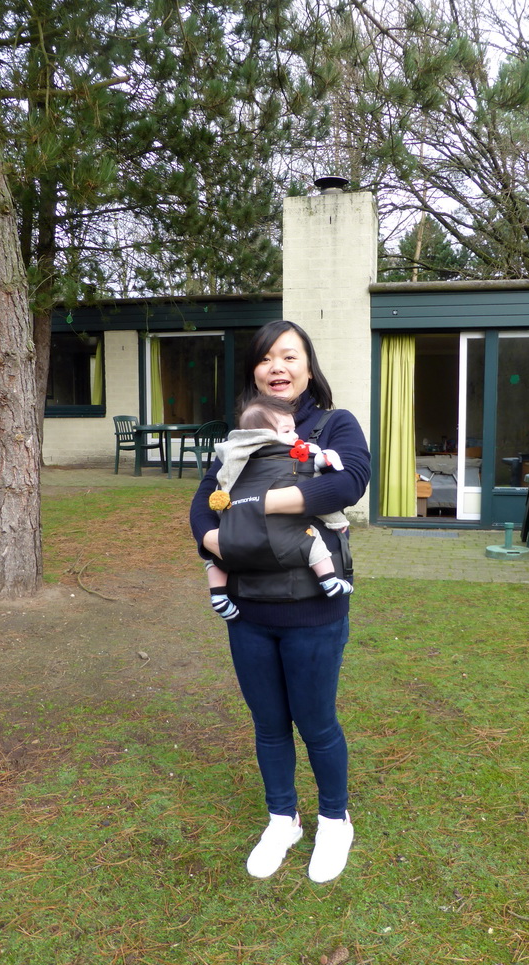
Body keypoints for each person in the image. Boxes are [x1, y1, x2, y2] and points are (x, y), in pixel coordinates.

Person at [189, 320, 370, 883]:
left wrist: (257, 506)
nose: (277, 367)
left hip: (312, 607)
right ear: (254, 372)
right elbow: (204, 500)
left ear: (308, 367)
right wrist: (212, 539)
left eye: (289, 356)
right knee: (268, 723)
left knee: (315, 722)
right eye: (266, 358)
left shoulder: (334, 424)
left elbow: (348, 483)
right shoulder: (242, 435)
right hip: (248, 609)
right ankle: (282, 817)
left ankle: (335, 820)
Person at [204, 393, 353, 623]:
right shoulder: (295, 462)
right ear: (260, 435)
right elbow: (319, 499)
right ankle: (329, 581)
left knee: (215, 557)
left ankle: (218, 596)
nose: (295, 436)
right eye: (286, 431)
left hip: (239, 536)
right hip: (287, 541)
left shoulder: (232, 456)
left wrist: (226, 518)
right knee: (312, 542)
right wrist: (338, 522)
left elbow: (219, 488)